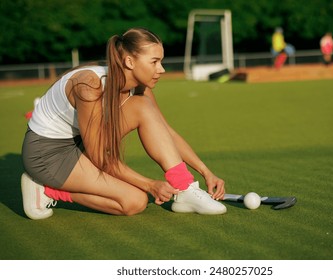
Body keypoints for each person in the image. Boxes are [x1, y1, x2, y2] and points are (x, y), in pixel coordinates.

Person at [21, 27, 227, 220]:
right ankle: (47, 190)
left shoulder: (140, 87)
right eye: (154, 62)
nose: (161, 69)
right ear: (129, 61)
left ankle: (185, 190)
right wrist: (149, 185)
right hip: (49, 154)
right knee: (134, 202)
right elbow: (100, 156)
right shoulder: (89, 85)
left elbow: (166, 133)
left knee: (144, 107)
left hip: (81, 142)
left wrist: (205, 171)